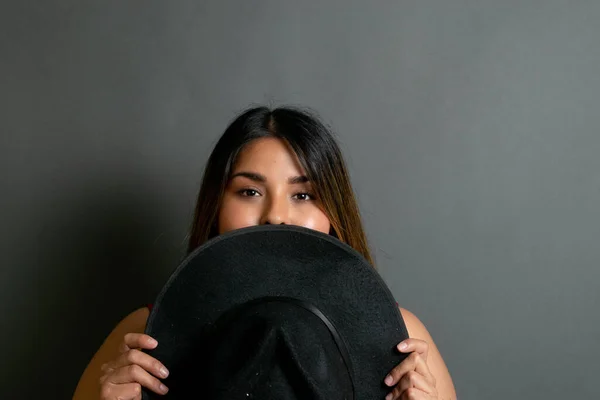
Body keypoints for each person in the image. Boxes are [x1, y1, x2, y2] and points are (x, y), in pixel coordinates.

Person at [72, 106, 457, 400]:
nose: (275, 215)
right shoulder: (140, 338)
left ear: (333, 212)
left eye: (303, 195)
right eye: (249, 191)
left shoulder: (403, 341)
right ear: (216, 205)